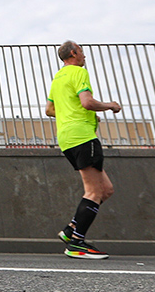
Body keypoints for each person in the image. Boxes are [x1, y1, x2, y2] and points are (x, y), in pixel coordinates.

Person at [46, 41, 120, 259]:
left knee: (106, 190)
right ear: (73, 53)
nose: (84, 56)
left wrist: (75, 115)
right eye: (82, 52)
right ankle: (77, 244)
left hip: (67, 138)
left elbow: (50, 109)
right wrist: (110, 105)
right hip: (82, 137)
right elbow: (87, 102)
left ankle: (71, 230)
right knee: (94, 192)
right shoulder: (78, 72)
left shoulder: (58, 79)